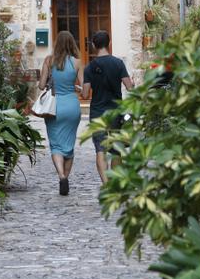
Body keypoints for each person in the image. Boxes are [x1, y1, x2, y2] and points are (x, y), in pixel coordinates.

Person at [82, 31, 133, 183]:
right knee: (117, 149)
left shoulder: (90, 67)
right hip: (116, 112)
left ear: (93, 45)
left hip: (97, 112)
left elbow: (85, 95)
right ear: (109, 43)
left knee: (100, 149)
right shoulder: (118, 63)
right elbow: (129, 87)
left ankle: (106, 183)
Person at [39, 30, 83, 196]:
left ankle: (61, 175)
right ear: (72, 43)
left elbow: (42, 85)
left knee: (56, 145)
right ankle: (66, 178)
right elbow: (85, 91)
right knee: (69, 146)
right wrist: (76, 88)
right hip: (71, 106)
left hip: (54, 108)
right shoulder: (77, 62)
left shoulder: (49, 61)